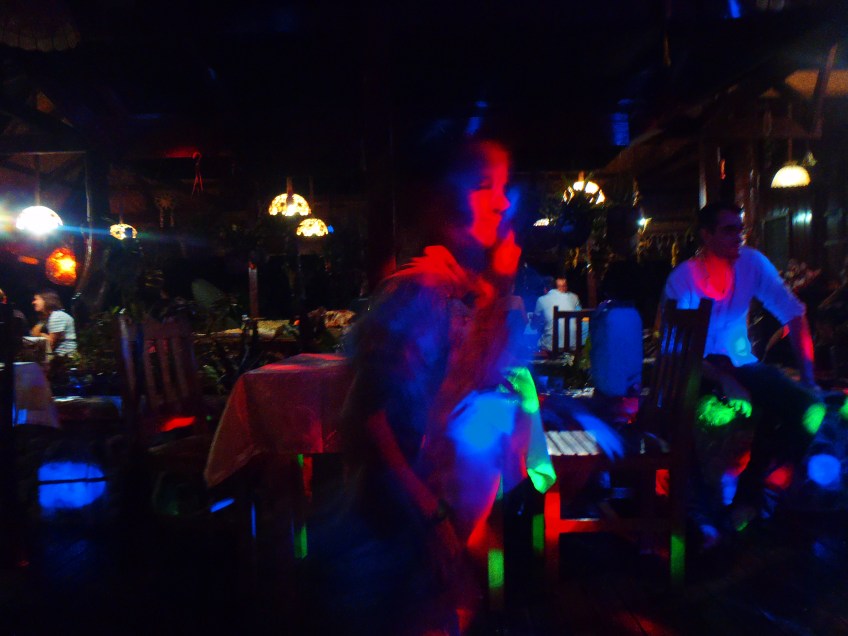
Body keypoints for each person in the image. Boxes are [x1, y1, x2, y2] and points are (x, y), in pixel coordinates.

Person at [310, 139, 553, 635]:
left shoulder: (469, 289)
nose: (502, 202)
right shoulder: (421, 288)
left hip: (437, 512)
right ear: (443, 204)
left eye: (503, 186)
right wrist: (431, 516)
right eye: (483, 186)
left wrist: (500, 290)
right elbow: (368, 414)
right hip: (401, 520)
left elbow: (477, 384)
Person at [663, 202, 822, 532]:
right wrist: (723, 380)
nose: (738, 237)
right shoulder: (684, 278)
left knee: (809, 408)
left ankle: (753, 495)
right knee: (690, 420)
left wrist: (808, 377)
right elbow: (677, 349)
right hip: (700, 368)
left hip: (742, 364)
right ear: (706, 235)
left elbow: (794, 313)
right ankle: (703, 518)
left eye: (740, 229)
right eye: (728, 230)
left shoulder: (752, 263)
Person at [533, 272, 581, 353]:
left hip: (551, 347)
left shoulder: (541, 299)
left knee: (534, 343)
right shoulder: (574, 297)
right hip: (573, 345)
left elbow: (534, 325)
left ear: (545, 289)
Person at [31, 290, 76, 356]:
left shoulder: (57, 316)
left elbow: (50, 344)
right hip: (61, 356)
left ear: (46, 300)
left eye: (36, 299)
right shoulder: (50, 317)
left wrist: (40, 334)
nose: (33, 302)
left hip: (65, 357)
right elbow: (34, 333)